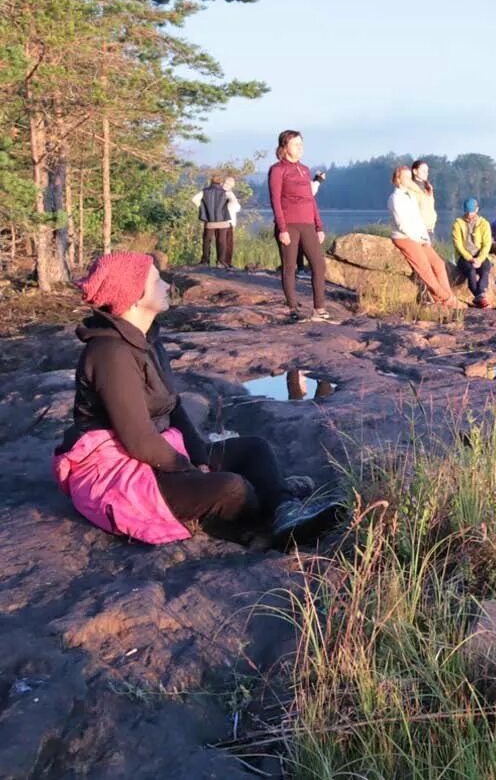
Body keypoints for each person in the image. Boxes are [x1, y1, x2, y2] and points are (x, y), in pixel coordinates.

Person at [53, 251, 345, 548]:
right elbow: (138, 440)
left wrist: (200, 458)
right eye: (157, 280)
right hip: (121, 470)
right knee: (232, 488)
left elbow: (173, 405)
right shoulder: (109, 354)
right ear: (135, 296)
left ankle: (284, 508)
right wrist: (187, 469)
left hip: (155, 451)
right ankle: (266, 524)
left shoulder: (145, 338)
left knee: (254, 449)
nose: (166, 285)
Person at [267, 130, 330, 322]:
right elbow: (275, 200)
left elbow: (310, 199)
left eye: (301, 144)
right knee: (290, 267)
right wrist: (283, 229)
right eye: (295, 144)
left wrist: (319, 226)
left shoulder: (305, 169)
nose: (300, 147)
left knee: (319, 265)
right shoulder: (277, 170)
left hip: (308, 224)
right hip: (289, 225)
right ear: (284, 147)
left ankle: (319, 308)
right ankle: (292, 308)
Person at [388, 165, 463, 310]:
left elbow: (417, 219)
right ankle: (448, 300)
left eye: (410, 177)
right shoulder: (395, 198)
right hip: (404, 238)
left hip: (418, 237)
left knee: (439, 264)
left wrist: (424, 237)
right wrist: (417, 237)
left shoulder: (410, 196)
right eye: (406, 177)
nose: (409, 180)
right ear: (398, 179)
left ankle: (445, 297)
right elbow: (402, 224)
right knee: (426, 270)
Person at [452, 198, 494, 308]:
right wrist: (469, 258)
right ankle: (480, 296)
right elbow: (458, 245)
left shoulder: (484, 224)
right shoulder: (458, 223)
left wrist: (480, 259)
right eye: (467, 211)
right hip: (464, 257)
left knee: (485, 269)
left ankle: (479, 296)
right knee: (471, 271)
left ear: (477, 209)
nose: (469, 214)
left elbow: (487, 244)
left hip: (479, 255)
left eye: (471, 211)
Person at [191, 175, 240, 268]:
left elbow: (194, 199)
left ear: (211, 181)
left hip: (210, 221)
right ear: (220, 182)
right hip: (223, 221)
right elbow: (234, 202)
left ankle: (205, 261)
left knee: (207, 241)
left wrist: (202, 208)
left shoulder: (204, 191)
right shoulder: (225, 192)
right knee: (222, 241)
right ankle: (220, 262)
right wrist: (227, 209)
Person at [412, 159, 439, 243]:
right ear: (415, 171)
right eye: (423, 171)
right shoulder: (411, 188)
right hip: (418, 230)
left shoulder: (428, 188)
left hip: (430, 229)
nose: (426, 173)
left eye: (427, 171)